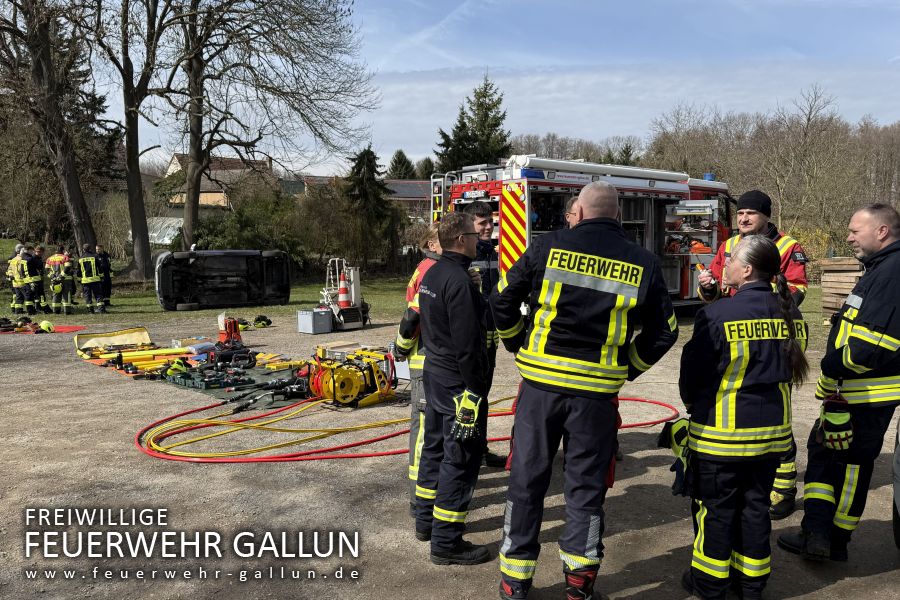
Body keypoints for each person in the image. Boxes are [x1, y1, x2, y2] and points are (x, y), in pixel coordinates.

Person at [490, 182, 678, 600]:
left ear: (577, 212)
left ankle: (514, 581)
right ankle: (579, 582)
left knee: (527, 481)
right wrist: (628, 367)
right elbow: (666, 331)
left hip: (541, 388)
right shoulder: (643, 262)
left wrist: (516, 342)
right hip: (595, 397)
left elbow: (501, 302)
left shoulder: (547, 247)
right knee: (585, 489)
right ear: (617, 215)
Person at [680, 235, 808, 600]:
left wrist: (693, 410)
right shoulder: (790, 313)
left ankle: (710, 584)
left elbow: (693, 379)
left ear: (747, 269)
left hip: (721, 440)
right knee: (755, 510)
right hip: (772, 439)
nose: (726, 264)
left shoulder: (716, 314)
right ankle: (751, 586)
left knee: (716, 513)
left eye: (731, 259)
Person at [778, 203, 900, 563]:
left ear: (881, 231)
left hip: (866, 395)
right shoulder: (881, 268)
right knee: (827, 456)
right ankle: (816, 532)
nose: (847, 237)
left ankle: (832, 540)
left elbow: (874, 345)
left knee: (850, 466)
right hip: (849, 394)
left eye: (854, 230)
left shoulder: (892, 273)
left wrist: (832, 363)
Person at [698, 189, 809, 520]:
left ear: (766, 217)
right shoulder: (728, 246)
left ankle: (784, 487)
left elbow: (799, 291)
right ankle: (750, 472)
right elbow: (717, 288)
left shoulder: (788, 247)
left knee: (774, 411)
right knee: (739, 408)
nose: (743, 219)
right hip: (737, 335)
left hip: (771, 335)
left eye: (751, 213)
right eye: (740, 213)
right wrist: (707, 287)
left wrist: (761, 299)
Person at [414, 211, 492, 566]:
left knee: (433, 449)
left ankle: (426, 522)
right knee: (459, 461)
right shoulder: (459, 281)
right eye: (473, 235)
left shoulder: (434, 274)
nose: (479, 240)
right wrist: (476, 391)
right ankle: (446, 542)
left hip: (437, 377)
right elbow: (467, 345)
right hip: (460, 386)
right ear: (460, 239)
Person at [395, 223, 441, 516]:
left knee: (423, 426)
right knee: (424, 429)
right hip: (424, 355)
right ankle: (419, 499)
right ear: (432, 244)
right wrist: (401, 346)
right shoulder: (430, 271)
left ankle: (423, 493)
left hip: (422, 354)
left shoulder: (427, 266)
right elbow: (413, 315)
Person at [464, 201, 508, 468]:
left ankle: (480, 449)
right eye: (483, 223)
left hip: (490, 338)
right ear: (470, 225)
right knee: (472, 396)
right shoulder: (466, 254)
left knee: (483, 396)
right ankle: (469, 453)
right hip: (475, 338)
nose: (489, 227)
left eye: (491, 222)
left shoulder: (491, 252)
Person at [75, 243, 106, 314]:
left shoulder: (80, 258)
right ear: (90, 249)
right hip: (95, 280)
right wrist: (101, 277)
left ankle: (90, 310)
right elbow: (100, 268)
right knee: (98, 295)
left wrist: (79, 280)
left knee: (87, 296)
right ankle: (101, 310)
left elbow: (78, 271)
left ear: (83, 249)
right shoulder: (95, 256)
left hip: (85, 281)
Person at [45, 245, 74, 314]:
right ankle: (67, 311)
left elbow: (47, 269)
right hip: (65, 280)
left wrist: (52, 277)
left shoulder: (49, 258)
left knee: (56, 295)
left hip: (54, 280)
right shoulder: (65, 257)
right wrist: (61, 276)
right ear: (63, 250)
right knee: (66, 295)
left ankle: (55, 311)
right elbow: (67, 267)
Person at [31, 245, 52, 314]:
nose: (40, 253)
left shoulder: (39, 258)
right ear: (35, 251)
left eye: (41, 252)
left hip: (39, 279)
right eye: (38, 252)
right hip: (35, 279)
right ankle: (45, 309)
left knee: (37, 295)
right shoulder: (33, 259)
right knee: (41, 295)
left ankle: (38, 308)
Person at [6, 243, 23, 313]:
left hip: (12, 278)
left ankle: (14, 308)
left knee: (15, 295)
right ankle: (15, 308)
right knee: (16, 295)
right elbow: (9, 268)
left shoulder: (12, 257)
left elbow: (8, 269)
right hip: (14, 278)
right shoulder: (14, 258)